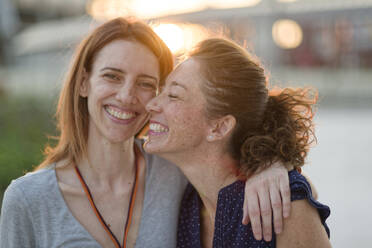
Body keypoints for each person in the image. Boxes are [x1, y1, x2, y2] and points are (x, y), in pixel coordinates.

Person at [0, 18, 290, 248]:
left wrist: (270, 166)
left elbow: (293, 193)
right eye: (112, 76)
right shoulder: (27, 200)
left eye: (145, 83)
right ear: (83, 84)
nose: (127, 96)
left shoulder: (175, 170)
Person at [145, 38, 331, 247]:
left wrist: (286, 175)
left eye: (174, 95)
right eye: (162, 91)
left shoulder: (283, 205)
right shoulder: (183, 200)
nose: (151, 104)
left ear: (219, 127)